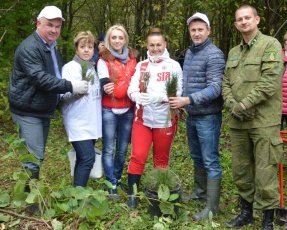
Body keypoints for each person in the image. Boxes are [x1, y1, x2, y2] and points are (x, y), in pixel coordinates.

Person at [8, 6, 88, 186]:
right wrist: (71, 86)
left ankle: (31, 193)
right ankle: (30, 201)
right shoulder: (30, 47)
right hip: (27, 110)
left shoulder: (52, 46)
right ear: (38, 24)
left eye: (57, 26)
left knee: (37, 154)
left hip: (41, 108)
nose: (54, 30)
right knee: (33, 157)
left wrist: (62, 98)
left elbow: (56, 75)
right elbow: (40, 79)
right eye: (49, 25)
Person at [222, 4, 284, 229]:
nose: (244, 22)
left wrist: (244, 104)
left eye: (248, 17)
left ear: (257, 20)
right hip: (238, 123)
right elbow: (225, 83)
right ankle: (246, 212)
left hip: (263, 122)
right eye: (240, 19)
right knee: (241, 169)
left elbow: (269, 82)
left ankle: (268, 219)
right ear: (236, 24)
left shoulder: (271, 45)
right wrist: (232, 104)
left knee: (266, 169)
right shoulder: (233, 52)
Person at [169, 13, 225, 220]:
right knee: (197, 157)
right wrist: (182, 103)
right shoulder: (190, 52)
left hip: (208, 117)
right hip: (192, 114)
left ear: (208, 31)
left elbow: (215, 88)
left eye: (200, 29)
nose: (196, 33)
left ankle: (212, 207)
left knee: (210, 160)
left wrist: (188, 100)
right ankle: (200, 194)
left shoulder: (214, 54)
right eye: (193, 30)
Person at [126, 28, 183, 208]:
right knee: (138, 156)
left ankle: (159, 197)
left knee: (161, 159)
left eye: (159, 44)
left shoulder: (173, 65)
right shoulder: (141, 65)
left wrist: (159, 98)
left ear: (165, 44)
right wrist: (136, 96)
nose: (156, 48)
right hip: (142, 120)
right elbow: (131, 88)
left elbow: (178, 94)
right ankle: (133, 195)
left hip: (165, 120)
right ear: (147, 46)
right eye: (152, 45)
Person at [97, 24, 137, 197]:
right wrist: (128, 84)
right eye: (114, 37)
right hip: (109, 110)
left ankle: (118, 178)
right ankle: (111, 183)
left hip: (128, 111)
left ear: (125, 39)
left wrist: (127, 85)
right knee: (108, 149)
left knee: (122, 149)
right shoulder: (103, 60)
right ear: (108, 40)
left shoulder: (133, 59)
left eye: (121, 37)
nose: (117, 41)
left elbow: (139, 84)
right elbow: (111, 90)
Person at [61, 31, 102, 187]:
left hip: (91, 121)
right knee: (87, 158)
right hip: (77, 121)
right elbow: (63, 96)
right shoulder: (70, 67)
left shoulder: (92, 68)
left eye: (90, 47)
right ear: (76, 48)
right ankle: (78, 196)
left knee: (83, 157)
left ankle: (78, 191)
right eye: (83, 46)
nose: (86, 50)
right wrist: (76, 91)